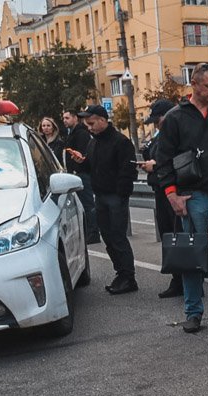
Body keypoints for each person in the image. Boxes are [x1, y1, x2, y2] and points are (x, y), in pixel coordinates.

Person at [155, 63, 208, 333]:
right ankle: (193, 312)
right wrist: (172, 196)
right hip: (194, 197)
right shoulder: (175, 119)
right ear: (194, 84)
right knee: (192, 256)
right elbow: (163, 161)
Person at [74, 104, 138, 294]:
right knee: (108, 238)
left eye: (92, 123)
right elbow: (92, 167)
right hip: (100, 196)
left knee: (118, 238)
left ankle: (128, 277)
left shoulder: (120, 141)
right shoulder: (94, 142)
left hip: (115, 197)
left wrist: (121, 193)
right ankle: (121, 273)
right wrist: (82, 162)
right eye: (87, 124)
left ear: (103, 120)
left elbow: (128, 171)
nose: (89, 127)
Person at [140, 98, 182, 299]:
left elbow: (173, 162)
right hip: (161, 188)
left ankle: (182, 279)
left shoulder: (175, 133)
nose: (156, 124)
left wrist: (154, 166)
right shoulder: (163, 134)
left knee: (174, 235)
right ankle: (179, 277)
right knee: (169, 234)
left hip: (170, 190)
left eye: (158, 119)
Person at [61, 109, 100, 244]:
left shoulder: (81, 134)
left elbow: (84, 155)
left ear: (75, 118)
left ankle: (93, 232)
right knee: (82, 204)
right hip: (76, 173)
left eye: (67, 118)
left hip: (82, 173)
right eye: (63, 118)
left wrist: (78, 163)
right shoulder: (72, 133)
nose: (64, 120)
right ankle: (89, 231)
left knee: (87, 203)